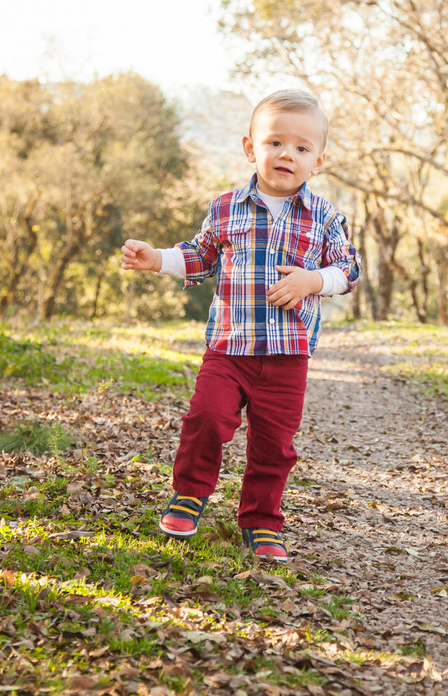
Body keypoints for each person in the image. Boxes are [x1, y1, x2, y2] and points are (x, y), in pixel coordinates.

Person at [121, 89, 360, 562]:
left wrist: (314, 280)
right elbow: (198, 256)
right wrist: (155, 260)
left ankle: (261, 520)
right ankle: (189, 495)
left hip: (287, 356)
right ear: (251, 148)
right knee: (206, 418)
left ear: (318, 160)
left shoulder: (326, 216)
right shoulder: (226, 208)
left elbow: (348, 271)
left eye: (301, 148)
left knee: (275, 444)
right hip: (229, 348)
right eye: (275, 143)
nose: (287, 154)